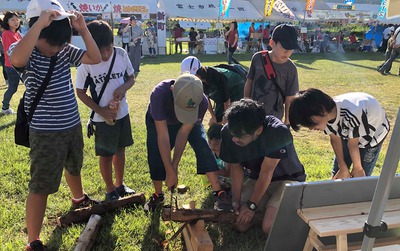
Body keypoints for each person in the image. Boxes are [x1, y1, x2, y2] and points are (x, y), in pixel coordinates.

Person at [10, 0, 101, 251]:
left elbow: (95, 58)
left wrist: (83, 30)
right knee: (41, 185)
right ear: (36, 32)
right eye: (54, 43)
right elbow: (16, 59)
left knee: (74, 165)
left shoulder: (64, 50)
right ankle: (34, 242)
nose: (58, 49)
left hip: (71, 124)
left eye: (62, 43)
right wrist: (38, 25)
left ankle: (78, 199)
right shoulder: (25, 51)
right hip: (46, 132)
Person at [144, 73, 232, 212]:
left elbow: (184, 133)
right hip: (160, 123)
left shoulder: (201, 101)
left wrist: (175, 165)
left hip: (188, 122)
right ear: (172, 90)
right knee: (155, 153)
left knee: (203, 146)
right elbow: (162, 135)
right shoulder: (159, 95)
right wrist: (169, 169)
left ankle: (219, 194)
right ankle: (158, 195)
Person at [220, 99, 306, 234]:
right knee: (239, 223)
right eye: (233, 134)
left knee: (269, 226)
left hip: (288, 179)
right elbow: (236, 167)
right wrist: (236, 202)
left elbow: (267, 172)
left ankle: (271, 211)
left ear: (259, 130)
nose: (235, 139)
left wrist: (251, 205)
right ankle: (268, 209)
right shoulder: (228, 131)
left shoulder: (277, 132)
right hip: (257, 178)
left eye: (241, 136)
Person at [76, 20, 136, 202]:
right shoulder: (86, 62)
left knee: (120, 150)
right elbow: (80, 92)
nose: (105, 54)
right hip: (102, 119)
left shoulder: (121, 54)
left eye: (108, 48)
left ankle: (120, 184)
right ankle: (110, 189)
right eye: (100, 50)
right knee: (106, 155)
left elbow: (131, 78)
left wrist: (123, 87)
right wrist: (101, 110)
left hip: (122, 113)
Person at [289, 88, 390, 179]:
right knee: (340, 170)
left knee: (362, 174)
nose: (311, 128)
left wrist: (358, 168)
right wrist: (342, 167)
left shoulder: (351, 114)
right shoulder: (326, 117)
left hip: (372, 135)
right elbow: (335, 139)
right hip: (349, 133)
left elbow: (353, 144)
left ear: (322, 110)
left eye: (310, 123)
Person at [244, 23, 300, 125]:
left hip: (275, 118)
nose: (288, 53)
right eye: (285, 48)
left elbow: (290, 98)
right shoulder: (257, 58)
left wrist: (287, 120)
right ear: (272, 43)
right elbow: (249, 82)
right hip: (253, 113)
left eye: (291, 49)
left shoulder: (291, 69)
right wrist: (245, 103)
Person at [1, 11, 22, 114]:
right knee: (12, 88)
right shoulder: (6, 34)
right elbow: (10, 51)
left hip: (21, 64)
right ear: (7, 22)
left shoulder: (17, 34)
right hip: (12, 66)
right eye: (12, 20)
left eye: (17, 19)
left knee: (31, 86)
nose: (16, 22)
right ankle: (5, 108)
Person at [0, 18, 8, 85]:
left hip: (3, 51)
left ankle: (7, 80)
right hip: (3, 52)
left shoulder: (4, 31)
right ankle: (7, 80)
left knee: (5, 66)